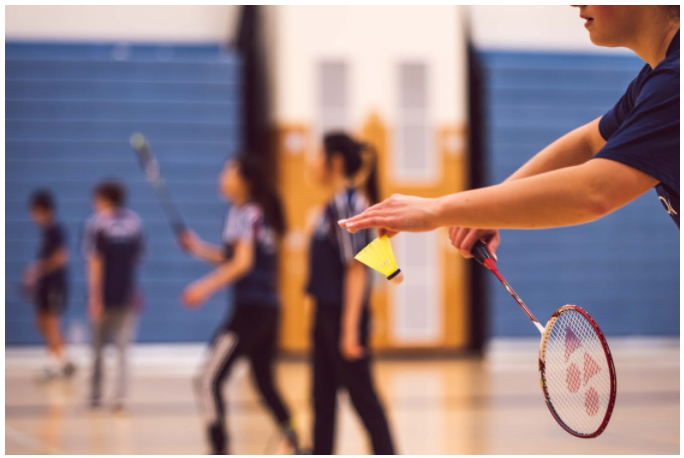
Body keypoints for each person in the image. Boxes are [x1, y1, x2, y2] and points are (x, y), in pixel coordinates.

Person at [340, 6, 679, 257]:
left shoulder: (675, 81)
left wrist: (436, 209)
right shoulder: (656, 79)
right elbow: (588, 142)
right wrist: (483, 210)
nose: (576, 4)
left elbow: (595, 190)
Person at [178, 154, 299, 455]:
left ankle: (219, 450)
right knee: (265, 383)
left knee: (207, 380)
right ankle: (297, 443)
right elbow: (236, 257)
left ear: (245, 181)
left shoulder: (244, 212)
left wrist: (203, 287)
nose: (222, 178)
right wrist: (199, 249)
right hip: (269, 310)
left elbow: (242, 264)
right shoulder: (258, 213)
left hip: (251, 313)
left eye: (228, 172)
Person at [305, 132, 396, 455]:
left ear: (336, 161)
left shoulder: (349, 203)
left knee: (363, 399)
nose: (311, 162)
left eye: (318, 155)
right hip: (325, 314)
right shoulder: (331, 204)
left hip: (343, 316)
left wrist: (348, 331)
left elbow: (357, 269)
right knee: (322, 399)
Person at [83, 181, 145, 411]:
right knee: (122, 351)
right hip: (127, 296)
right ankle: (120, 398)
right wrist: (135, 290)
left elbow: (95, 262)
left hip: (105, 297)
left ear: (104, 198)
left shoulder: (96, 223)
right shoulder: (135, 222)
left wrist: (95, 296)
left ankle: (95, 396)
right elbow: (136, 262)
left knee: (97, 350)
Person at [24, 189, 75, 381]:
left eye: (33, 211)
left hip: (55, 285)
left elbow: (62, 257)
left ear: (41, 209)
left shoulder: (55, 230)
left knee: (53, 323)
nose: (31, 216)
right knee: (42, 322)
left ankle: (57, 365)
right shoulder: (45, 231)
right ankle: (62, 361)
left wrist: (37, 269)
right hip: (45, 285)